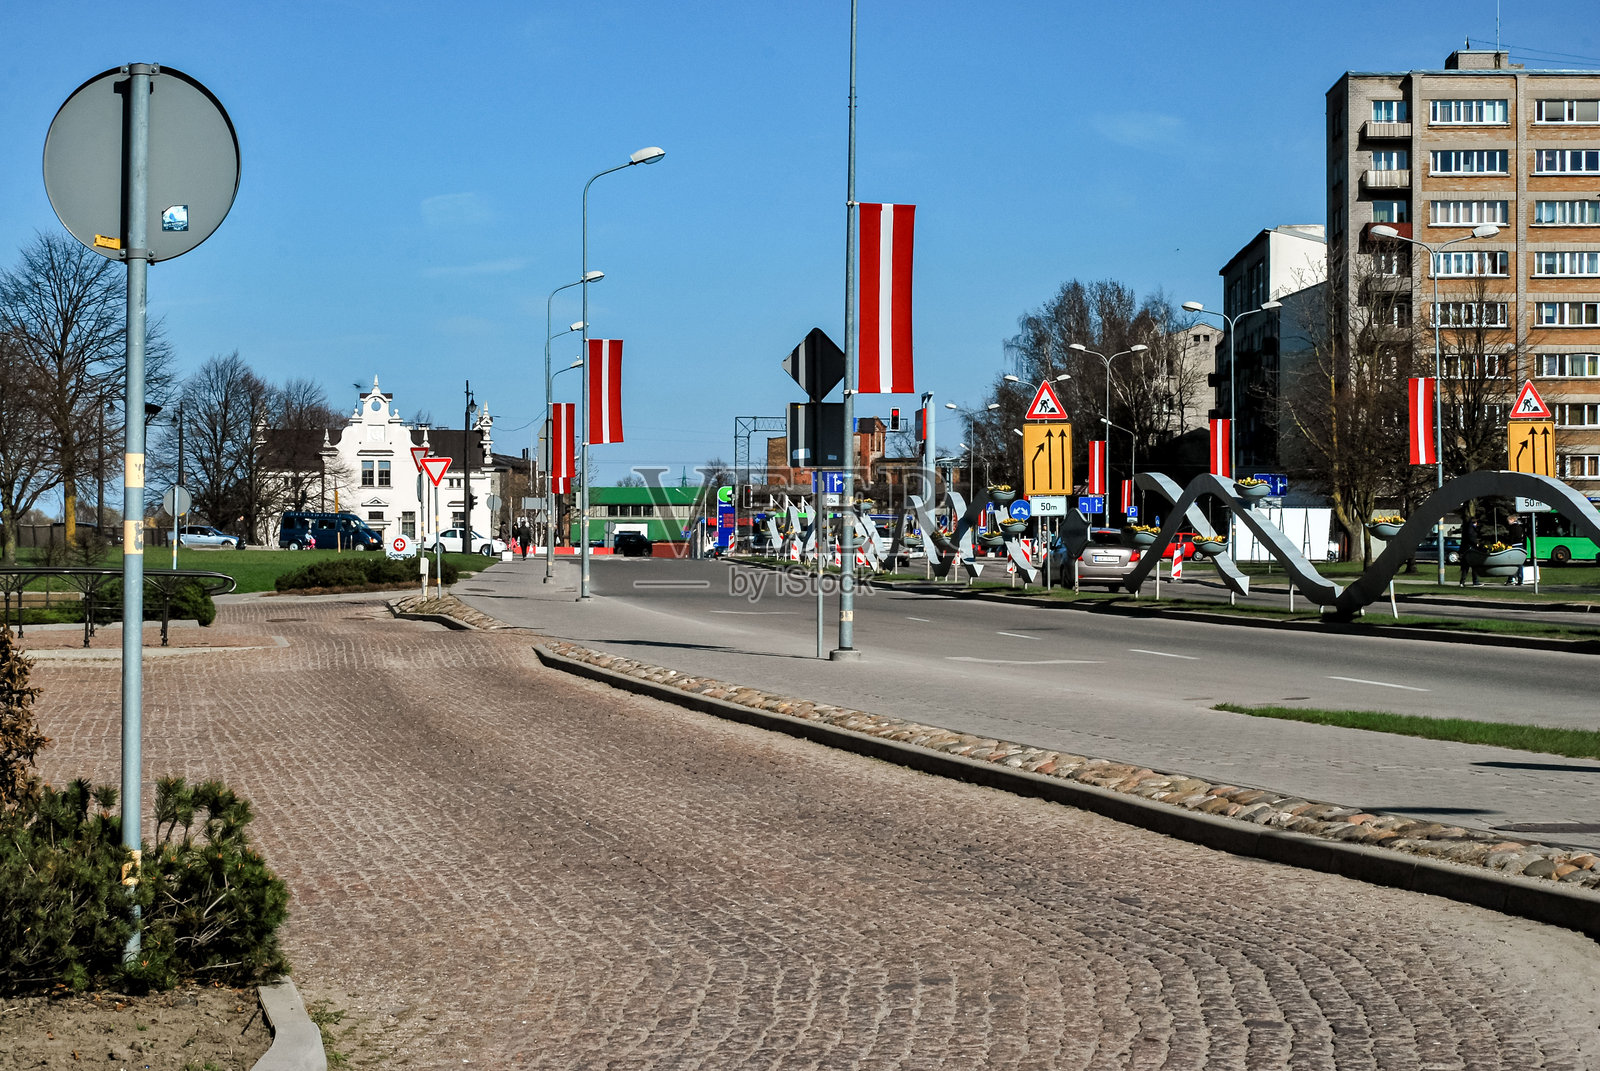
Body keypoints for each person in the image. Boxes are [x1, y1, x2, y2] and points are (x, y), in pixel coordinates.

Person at [1457, 516, 1479, 586]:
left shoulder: (1466, 529)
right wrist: (1476, 543)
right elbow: (1472, 538)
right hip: (1471, 550)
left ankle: (1462, 582)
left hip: (1465, 550)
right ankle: (1475, 581)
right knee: (1474, 566)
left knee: (1465, 567)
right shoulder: (1471, 530)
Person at [1506, 513, 1527, 585]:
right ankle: (1520, 580)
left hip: (1514, 546)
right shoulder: (1520, 527)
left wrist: (1509, 545)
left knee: (1511, 563)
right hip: (1520, 545)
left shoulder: (1512, 527)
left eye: (1509, 520)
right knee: (1520, 563)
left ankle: (1511, 578)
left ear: (1512, 520)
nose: (1508, 522)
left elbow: (1511, 537)